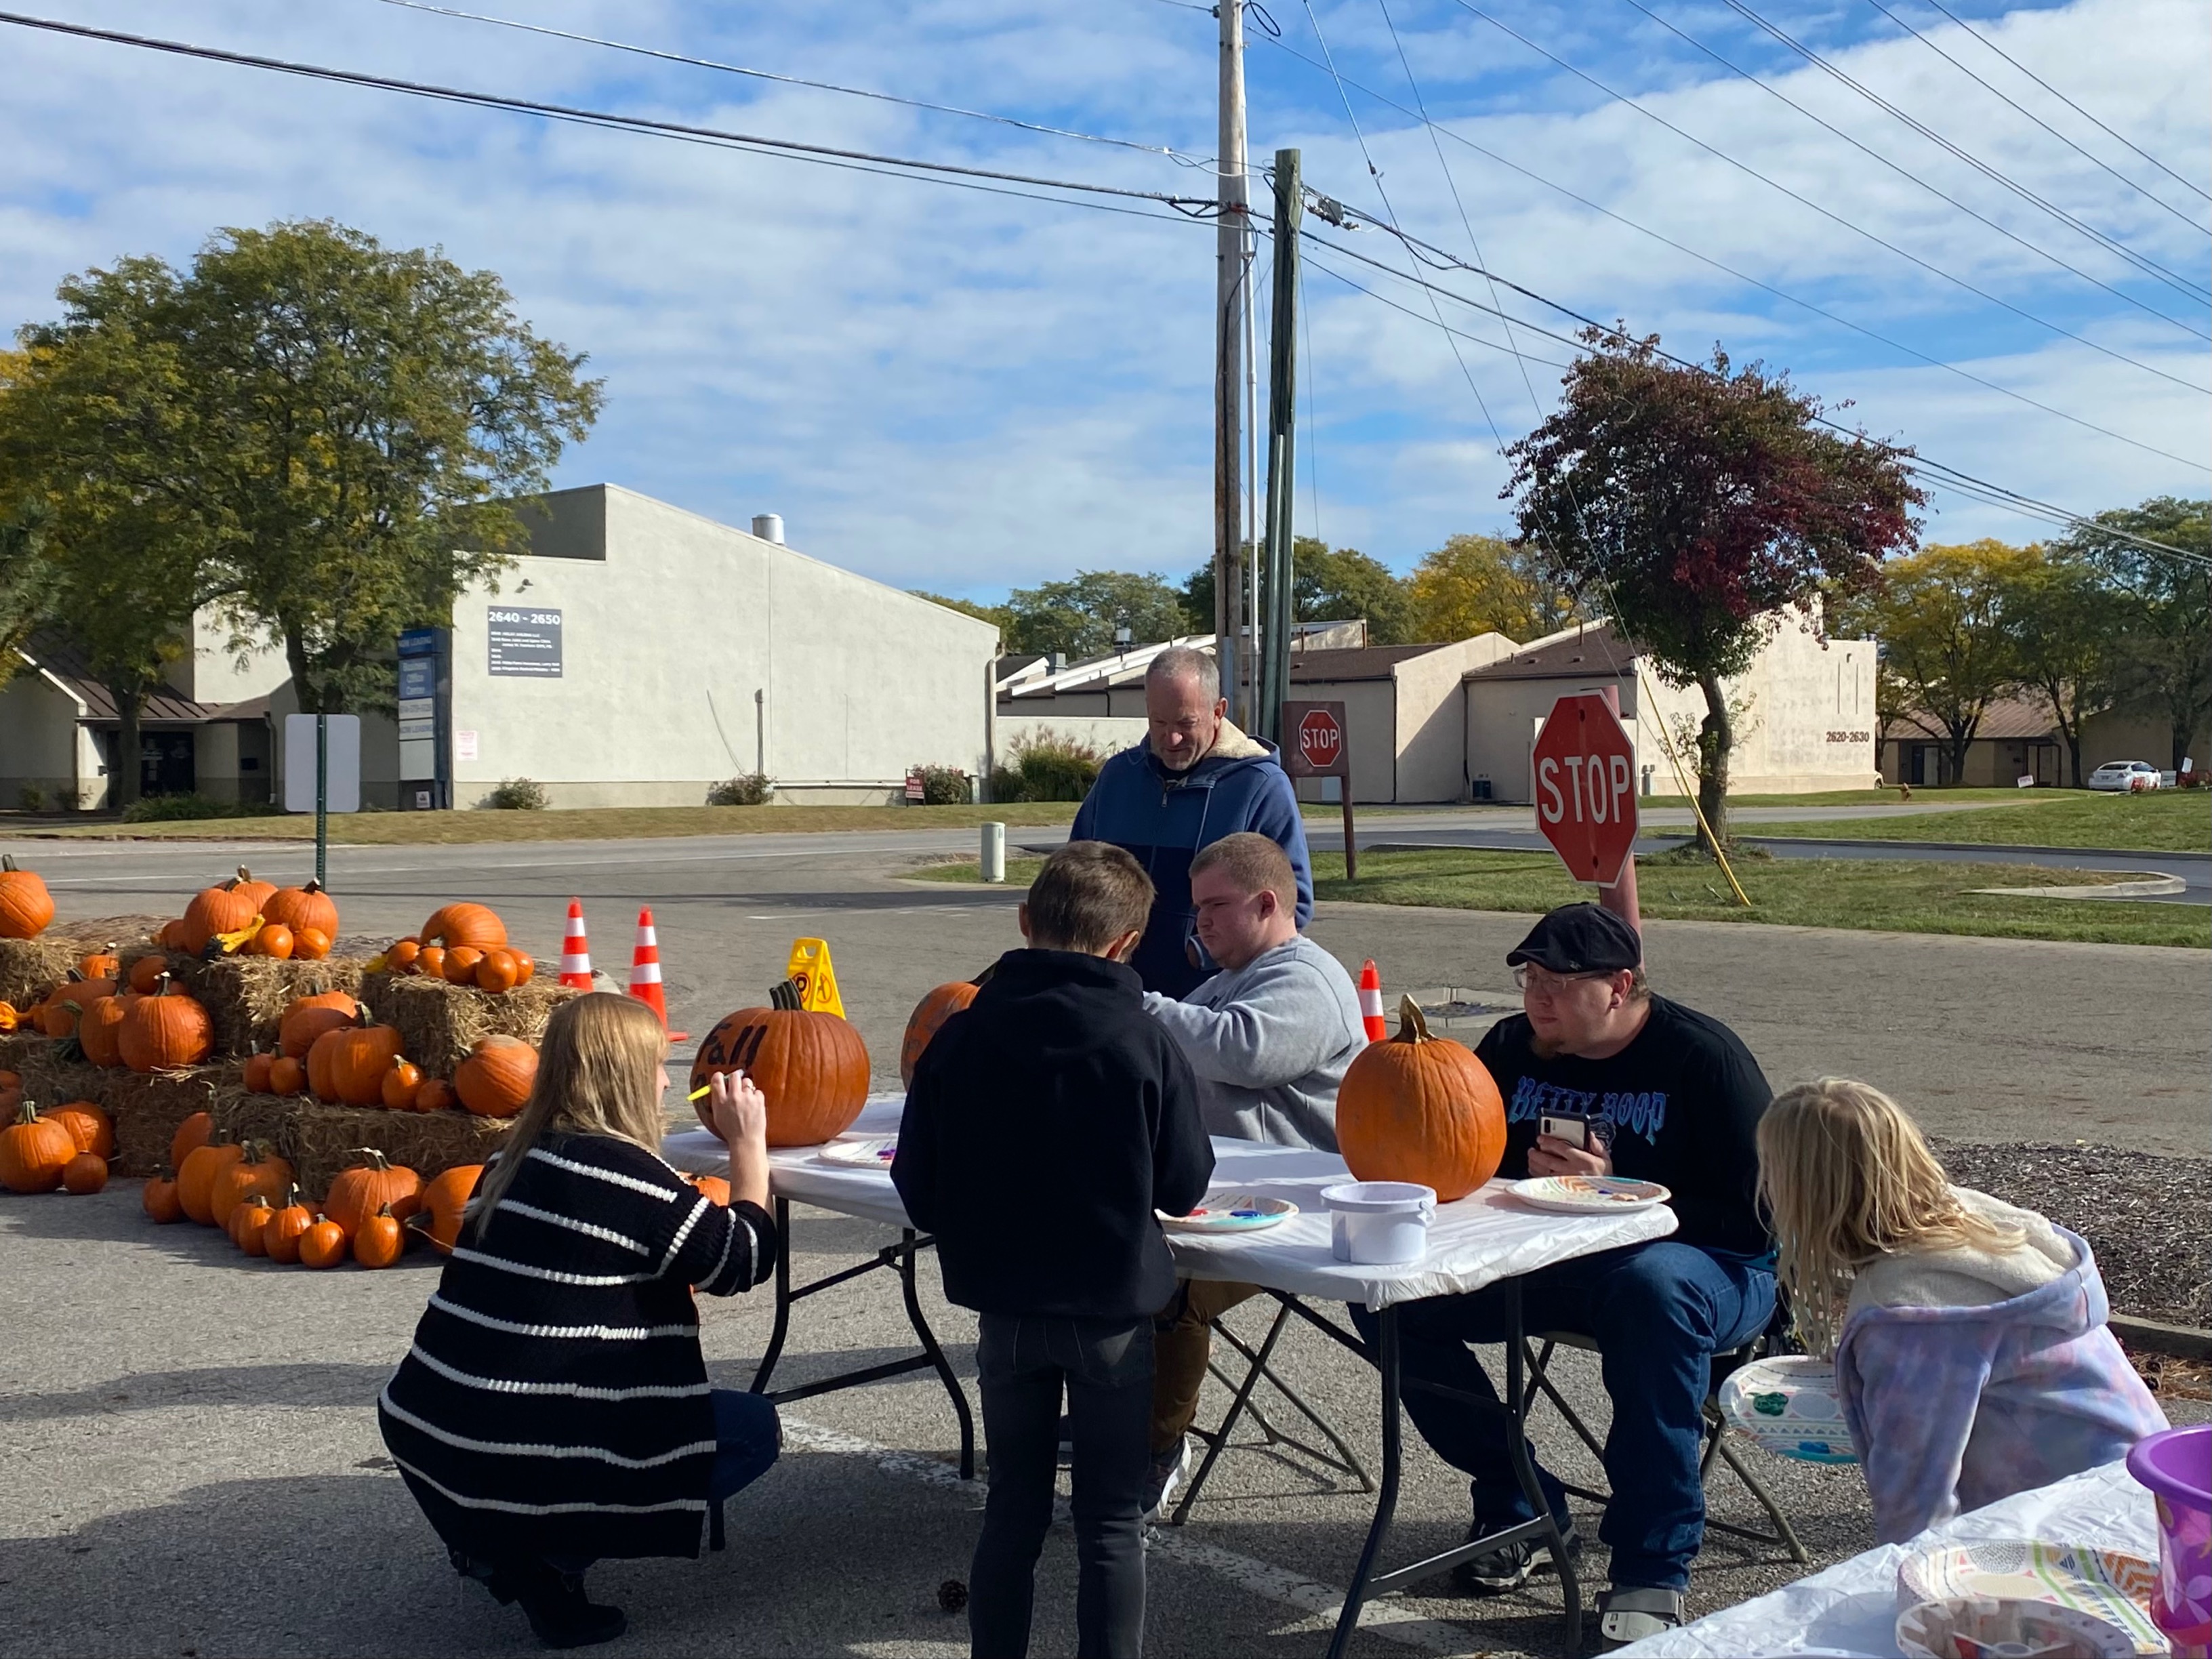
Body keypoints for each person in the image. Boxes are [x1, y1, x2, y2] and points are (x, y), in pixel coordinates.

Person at [1352, 903, 1776, 1650]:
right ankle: (1520, 1501)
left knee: (1652, 1292)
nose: (1537, 997)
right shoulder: (1513, 1047)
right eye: (1531, 977)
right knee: (1386, 1291)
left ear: (1618, 986)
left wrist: (1621, 1188)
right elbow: (1459, 1150)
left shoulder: (1702, 1057)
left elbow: (1762, 1218)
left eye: (1560, 980)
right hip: (1549, 1257)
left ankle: (1652, 1563)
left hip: (1709, 1266)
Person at [380, 993, 779, 1650]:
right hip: (513, 1448)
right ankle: (546, 1560)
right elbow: (741, 1261)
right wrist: (750, 1146)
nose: (663, 1082)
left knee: (542, 1428)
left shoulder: (510, 1161)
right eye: (655, 1065)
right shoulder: (624, 1174)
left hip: (432, 1428)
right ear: (622, 1074)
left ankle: (494, 1535)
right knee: (752, 1432)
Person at [895, 841, 1214, 1659]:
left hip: (1004, 1308)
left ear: (1026, 922)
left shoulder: (958, 1039)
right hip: (1110, 1309)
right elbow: (1183, 1185)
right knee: (1110, 1522)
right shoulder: (1145, 1042)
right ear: (1126, 944)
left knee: (1013, 1509)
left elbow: (918, 1182)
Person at [1757, 1078, 2167, 1544]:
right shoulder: (1978, 1224)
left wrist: (1904, 1592)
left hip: (2079, 1529)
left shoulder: (1910, 1318)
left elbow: (1916, 1501)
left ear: (1808, 1193)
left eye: (1770, 1170)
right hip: (2140, 1492)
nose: (1764, 1184)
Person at [1139, 831, 1366, 1516]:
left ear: (1267, 903)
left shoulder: (1307, 979)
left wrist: (1133, 1005)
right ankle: (1114, 1415)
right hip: (1218, 1194)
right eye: (1196, 907)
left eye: (1214, 906)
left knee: (1166, 1280)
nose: (1199, 921)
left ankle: (1156, 1447)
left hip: (1295, 1209)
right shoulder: (1223, 981)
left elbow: (1244, 1051)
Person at [1069, 645, 1312, 998]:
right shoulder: (1118, 777)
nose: (1171, 739)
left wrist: (1200, 953)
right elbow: (1073, 876)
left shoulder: (1261, 787)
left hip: (1208, 1005)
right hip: (1111, 997)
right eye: (1159, 723)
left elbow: (1295, 903)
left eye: (1186, 723)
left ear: (1218, 712)